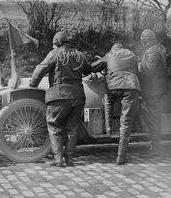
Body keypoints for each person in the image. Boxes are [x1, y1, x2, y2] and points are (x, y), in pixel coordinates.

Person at [29, 31, 93, 167]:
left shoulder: (55, 53)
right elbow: (88, 70)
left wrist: (32, 84)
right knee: (72, 127)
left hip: (59, 95)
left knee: (54, 126)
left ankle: (58, 159)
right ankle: (69, 159)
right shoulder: (79, 55)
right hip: (78, 95)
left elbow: (41, 69)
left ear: (57, 42)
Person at [93, 43, 141, 165]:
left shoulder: (110, 54)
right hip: (131, 86)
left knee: (108, 99)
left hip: (113, 85)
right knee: (126, 122)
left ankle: (108, 128)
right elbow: (136, 71)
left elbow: (94, 67)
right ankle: (121, 156)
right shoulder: (132, 54)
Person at [138, 29, 168, 156]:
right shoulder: (157, 47)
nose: (141, 42)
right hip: (155, 89)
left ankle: (155, 149)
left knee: (154, 118)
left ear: (145, 39)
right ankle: (154, 145)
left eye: (142, 40)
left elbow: (149, 71)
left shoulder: (153, 50)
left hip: (153, 90)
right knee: (153, 117)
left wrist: (137, 68)